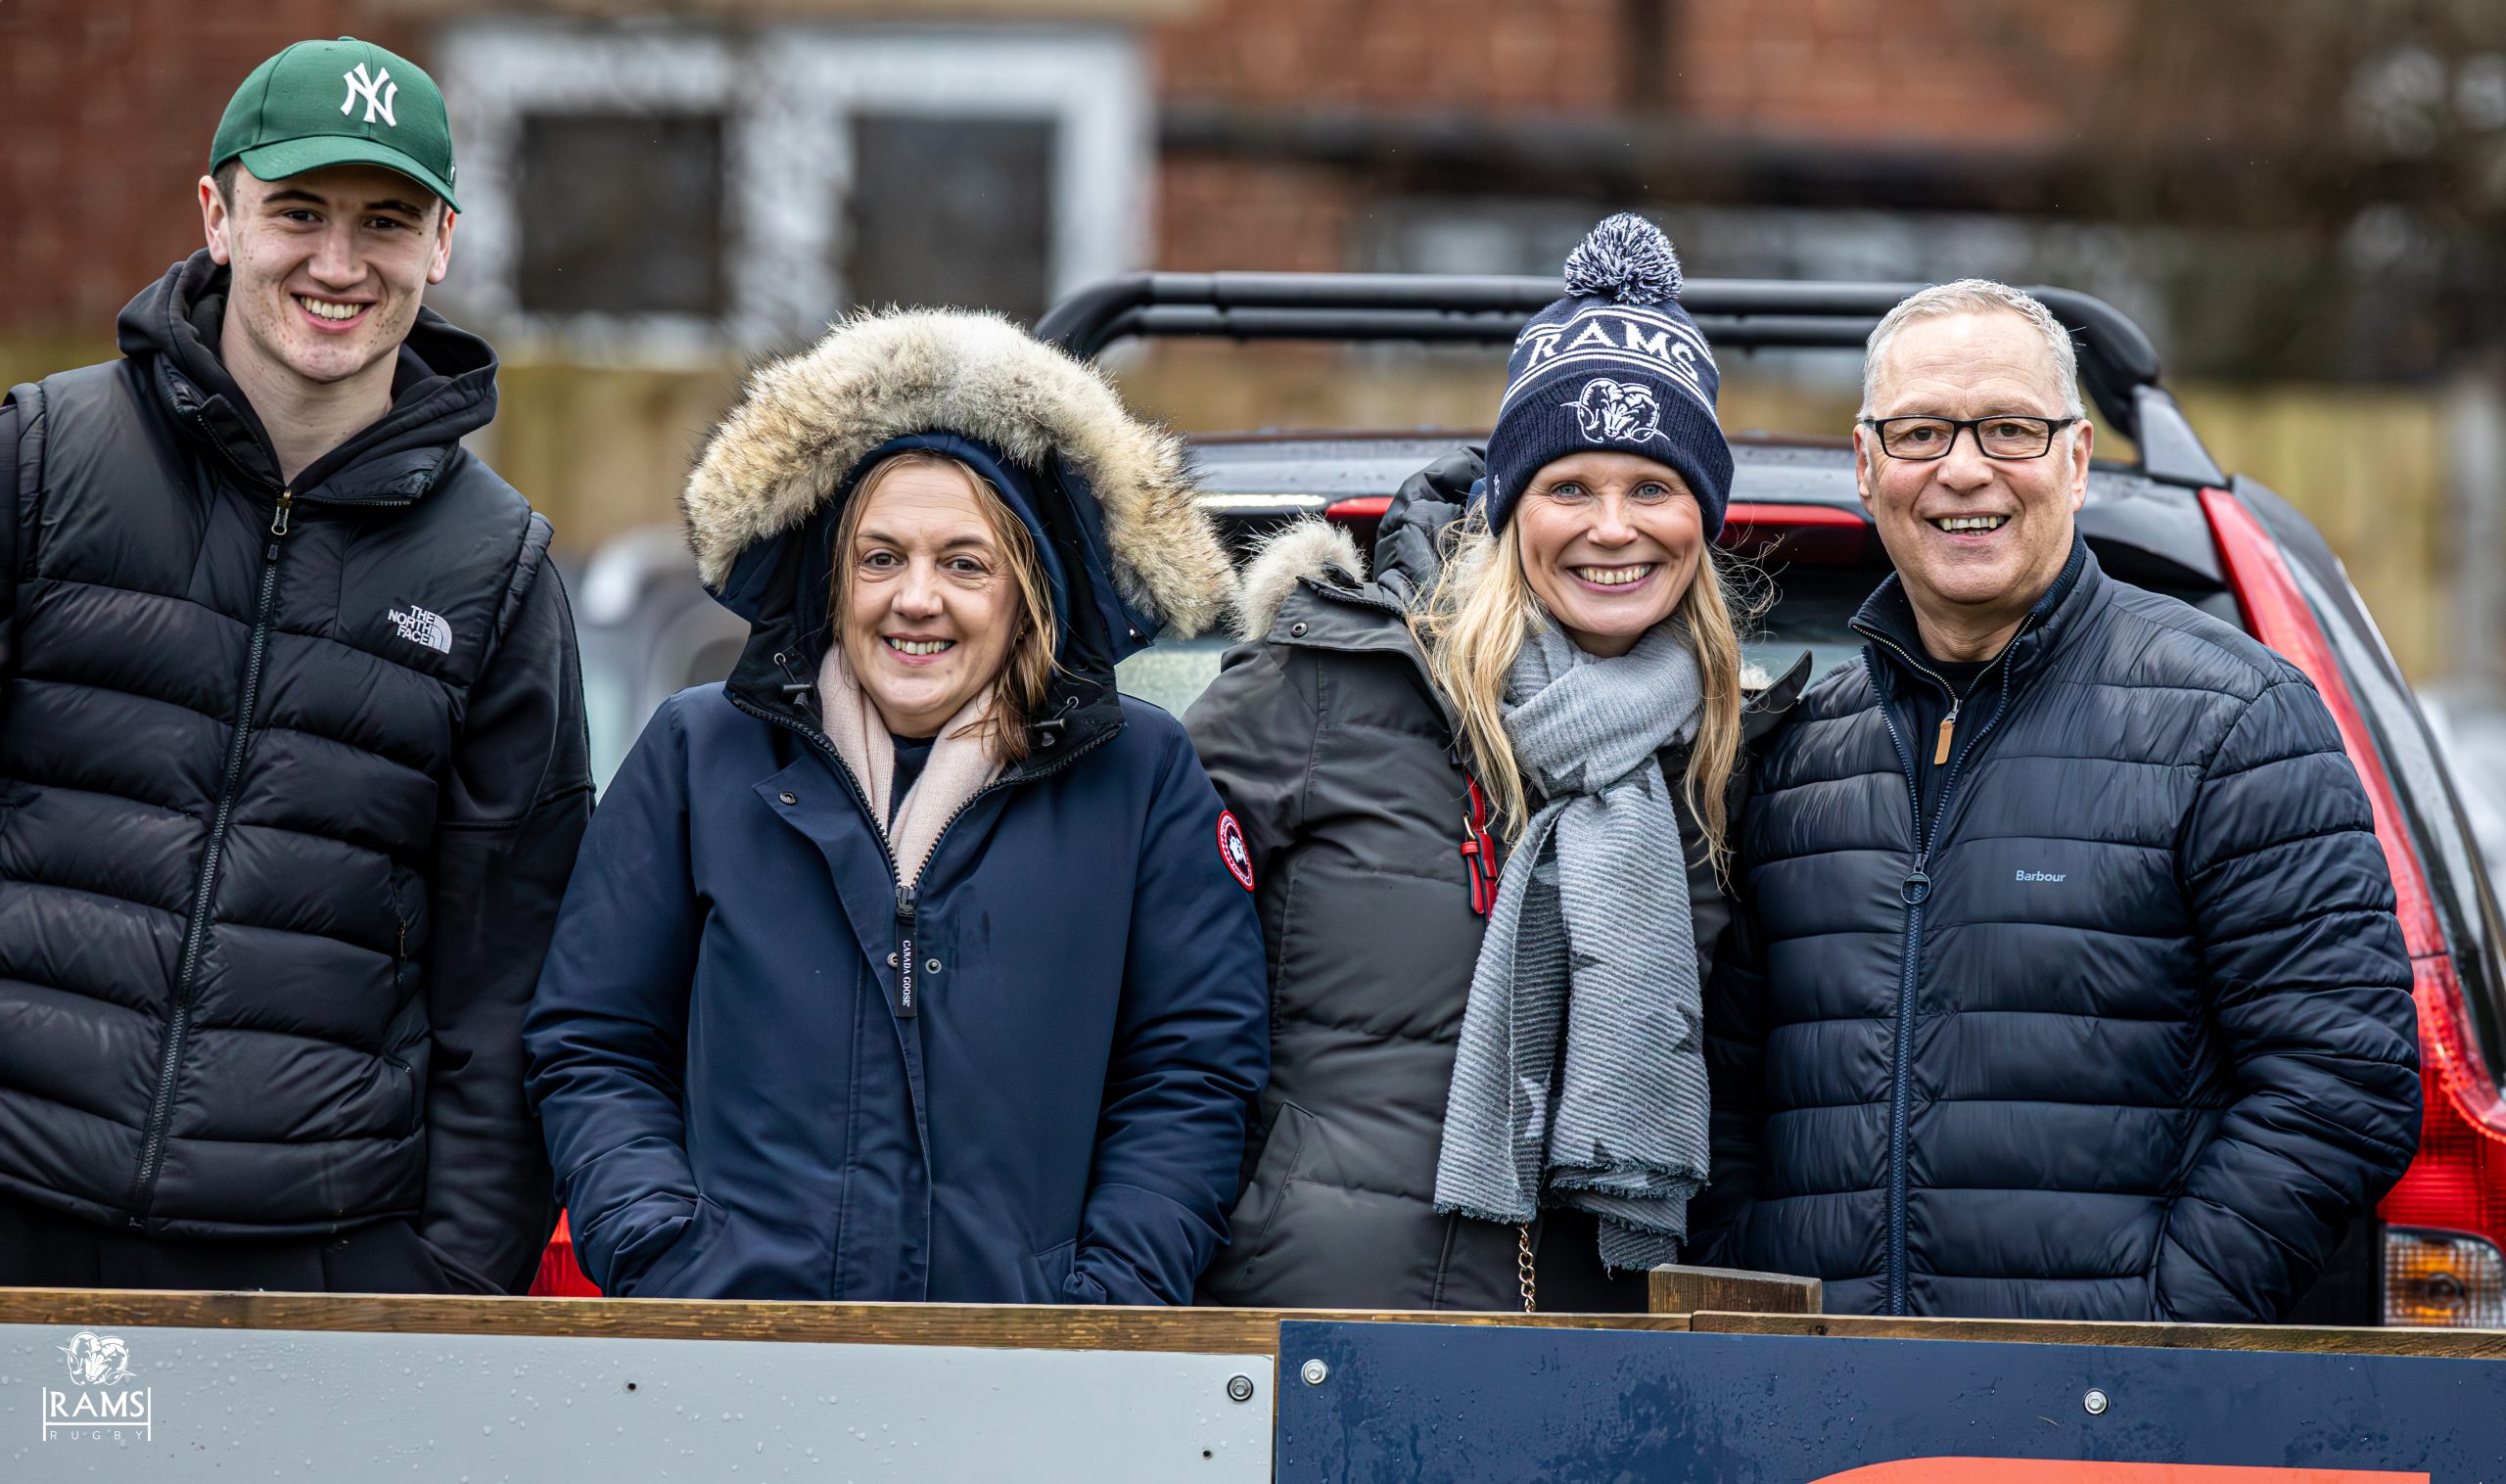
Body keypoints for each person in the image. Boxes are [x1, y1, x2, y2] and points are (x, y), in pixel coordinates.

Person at [1689, 280, 2422, 1322]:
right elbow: (1722, 1102)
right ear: (1866, 465)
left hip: (2103, 1399)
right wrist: (1753, 1300)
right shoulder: (1800, 755)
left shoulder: (2233, 722)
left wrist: (2155, 1328)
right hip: (1819, 1394)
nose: (1962, 469)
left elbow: (2341, 1081)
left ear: (2075, 461)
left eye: (2009, 429)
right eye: (1920, 431)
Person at [524, 307, 1269, 1303]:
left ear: (1028, 591)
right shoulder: (699, 754)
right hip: (732, 1355)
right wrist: (667, 1260)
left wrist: (1104, 1308)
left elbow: (1191, 1077)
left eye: (964, 562)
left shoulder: (1141, 778)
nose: (916, 598)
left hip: (1031, 1369)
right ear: (834, 581)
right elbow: (594, 1043)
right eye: (881, 558)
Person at [0, 39, 588, 1293]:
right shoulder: (39, 465)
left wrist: (440, 1286)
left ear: (441, 245)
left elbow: (510, 981)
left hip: (311, 1271)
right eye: (299, 212)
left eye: (386, 222)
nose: (338, 262)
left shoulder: (498, 573)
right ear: (218, 217)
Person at [1187, 215, 1804, 1312]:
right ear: (1509, 506)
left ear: (1701, 517)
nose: (1610, 528)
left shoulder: (1732, 764)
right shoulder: (1328, 686)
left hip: (1592, 1350)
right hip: (1311, 1332)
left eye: (1652, 487)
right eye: (1568, 487)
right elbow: (1150, 1021)